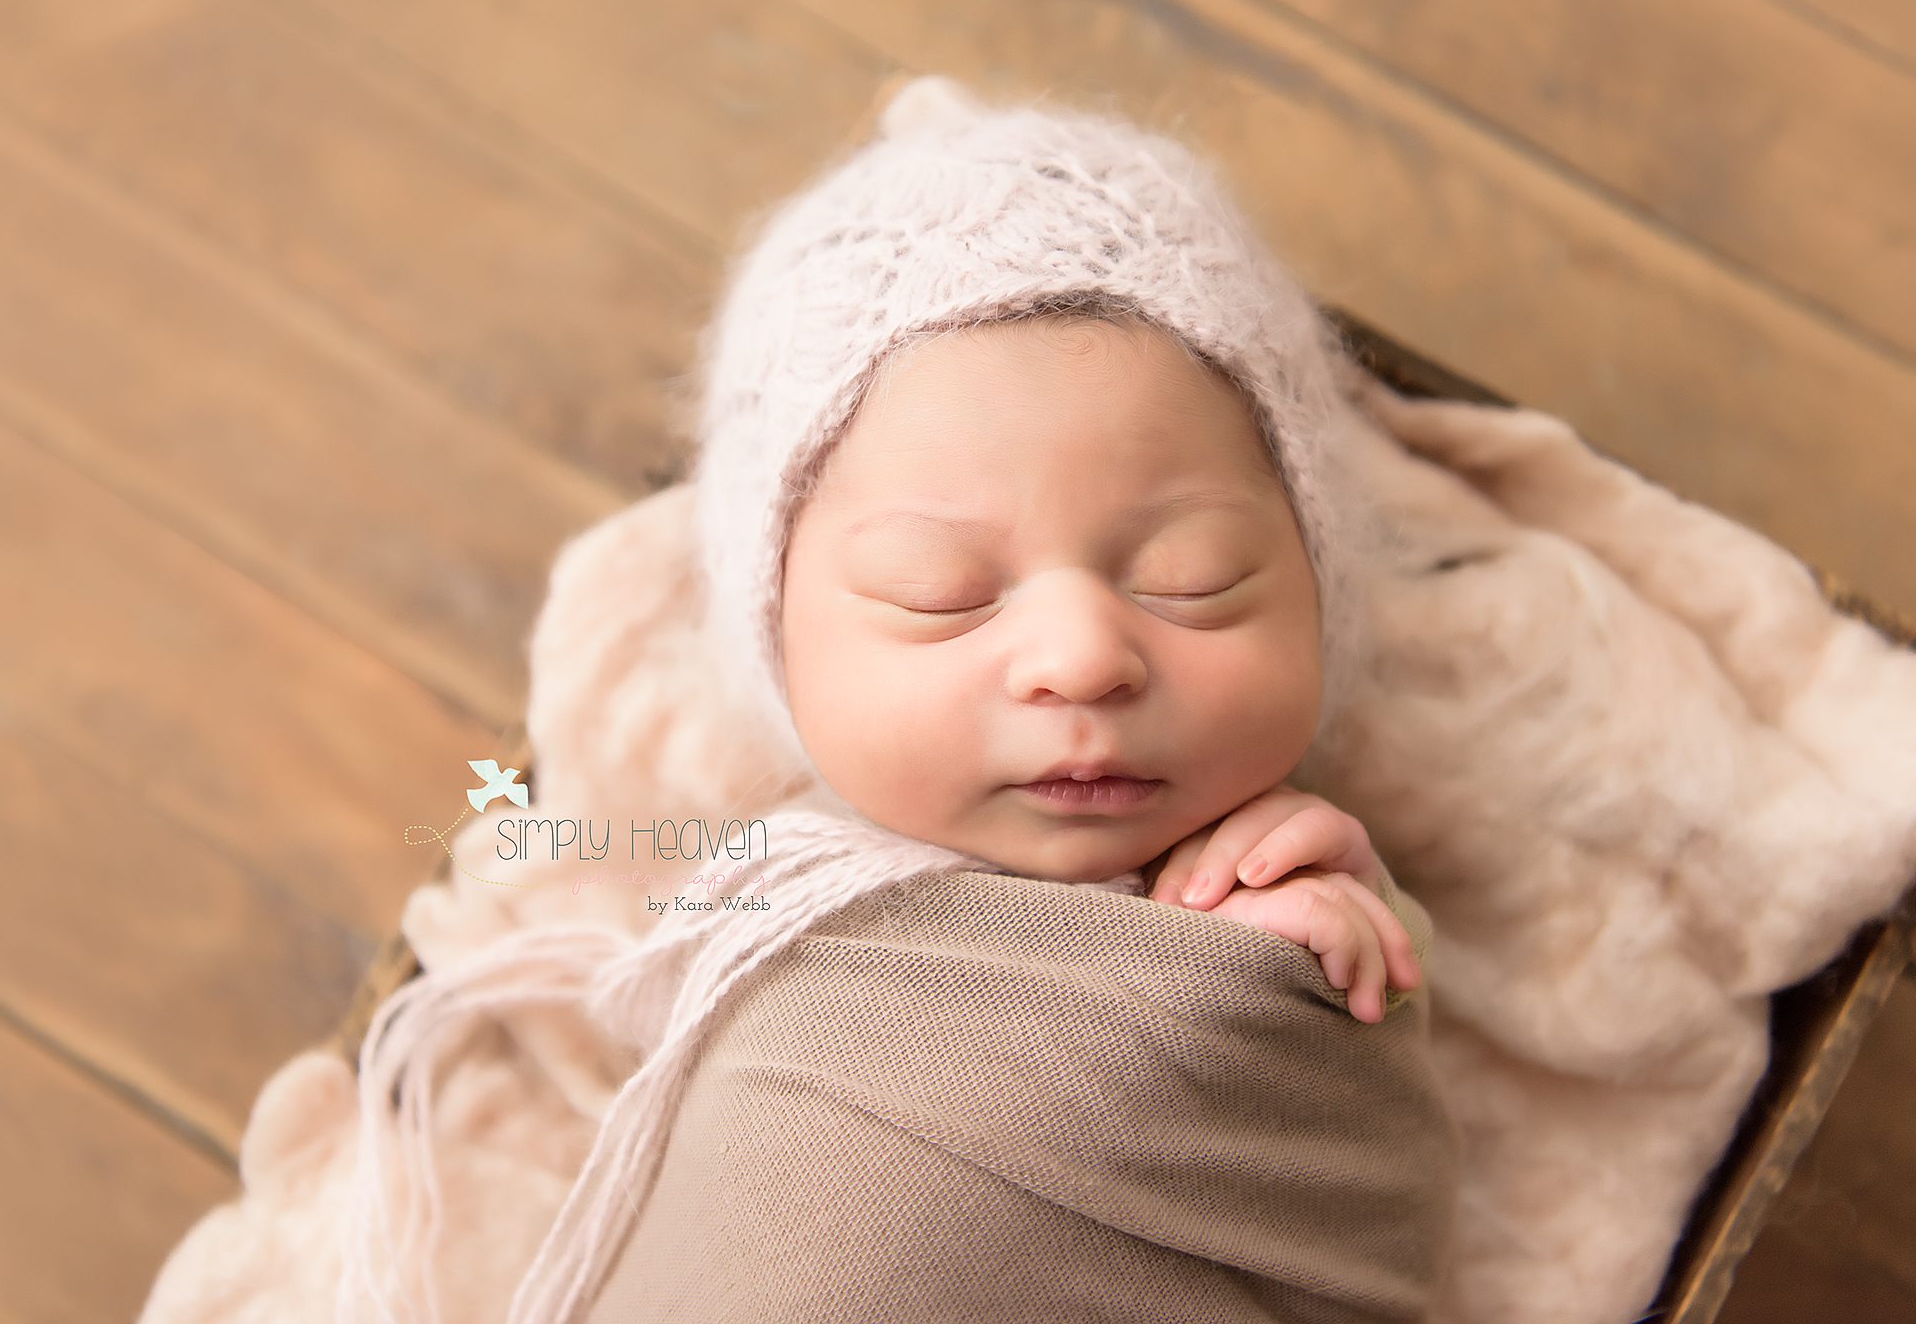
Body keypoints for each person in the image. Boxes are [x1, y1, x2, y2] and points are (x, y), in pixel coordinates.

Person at [465, 75, 1458, 1323]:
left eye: (1191, 580)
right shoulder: (768, 918)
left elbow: (1373, 1225)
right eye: (936, 594)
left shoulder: (1292, 896)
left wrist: (1310, 1004)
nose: (1080, 660)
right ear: (786, 651)